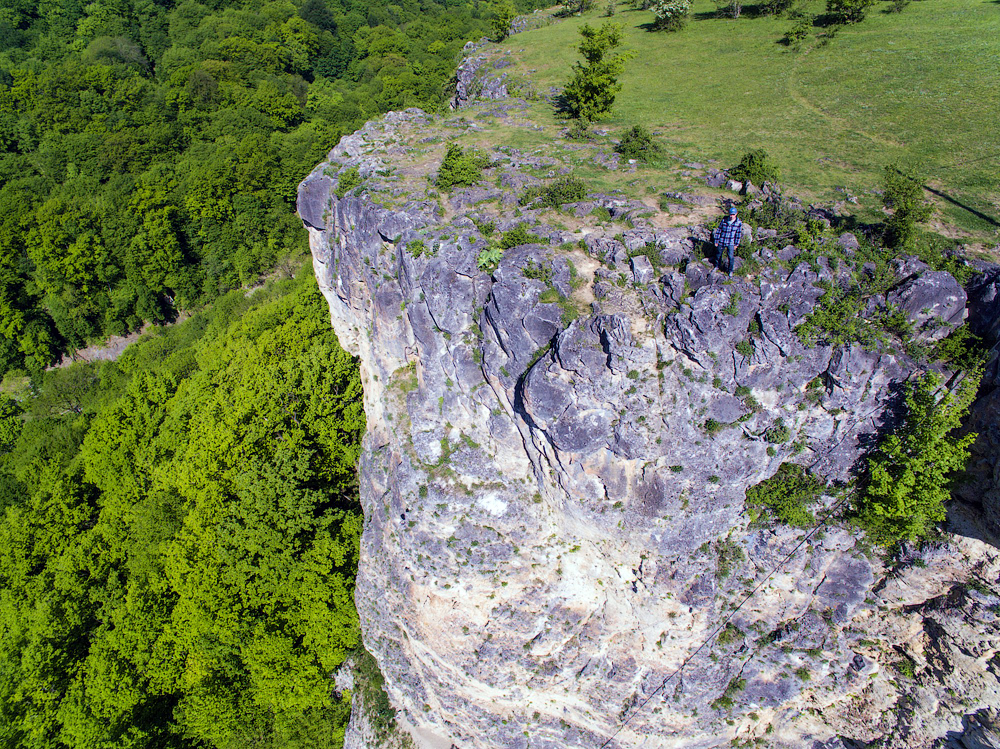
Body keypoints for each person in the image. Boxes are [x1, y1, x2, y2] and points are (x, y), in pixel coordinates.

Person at [713, 205, 743, 277]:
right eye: (731, 214)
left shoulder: (738, 223)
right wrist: (716, 241)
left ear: (736, 214)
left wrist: (736, 244)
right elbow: (719, 230)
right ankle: (717, 266)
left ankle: (730, 271)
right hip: (722, 240)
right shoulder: (724, 220)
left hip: (731, 242)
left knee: (730, 257)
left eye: (733, 214)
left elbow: (738, 234)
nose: (732, 216)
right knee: (718, 254)